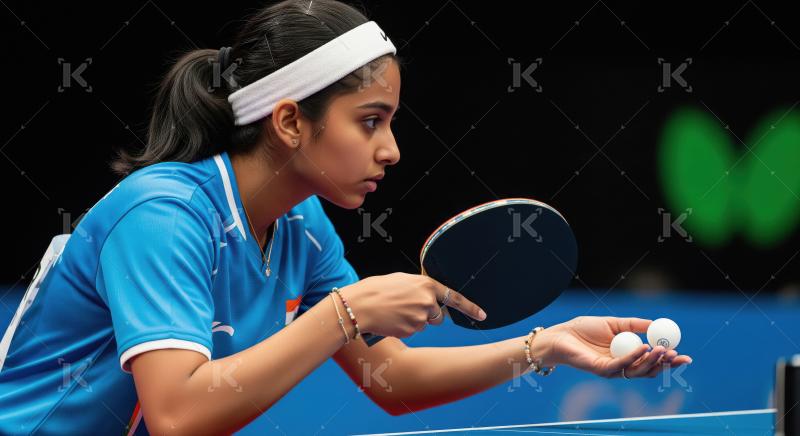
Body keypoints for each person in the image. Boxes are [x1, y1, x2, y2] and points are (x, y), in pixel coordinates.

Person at [0, 1, 691, 434]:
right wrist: (345, 311)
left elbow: (389, 381)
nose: (391, 150)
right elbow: (181, 415)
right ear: (291, 121)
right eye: (370, 122)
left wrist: (547, 346)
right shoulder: (165, 214)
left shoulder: (302, 228)